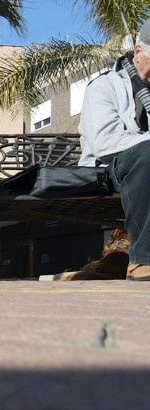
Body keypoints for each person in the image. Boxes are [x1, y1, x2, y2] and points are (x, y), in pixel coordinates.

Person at [79, 20, 150, 281]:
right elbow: (104, 143)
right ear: (139, 51)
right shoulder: (103, 87)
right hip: (108, 170)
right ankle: (143, 259)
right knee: (148, 153)